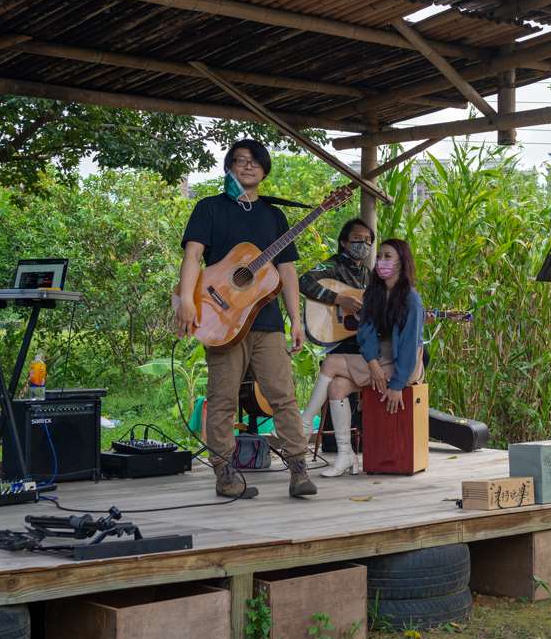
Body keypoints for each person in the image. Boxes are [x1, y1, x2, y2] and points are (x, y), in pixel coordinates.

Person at [174, 139, 316, 499]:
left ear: (264, 169)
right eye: (239, 161)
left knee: (282, 395)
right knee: (222, 398)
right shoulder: (209, 208)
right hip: (221, 319)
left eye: (254, 162)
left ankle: (298, 468)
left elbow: (287, 271)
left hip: (266, 321)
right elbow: (193, 256)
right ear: (229, 167)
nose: (247, 166)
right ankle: (224, 472)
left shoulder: (274, 216)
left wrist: (295, 320)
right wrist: (187, 301)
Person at [312, 238, 426, 477]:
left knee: (331, 363)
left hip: (403, 366)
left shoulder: (411, 299)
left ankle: (303, 423)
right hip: (381, 360)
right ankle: (346, 455)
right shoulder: (374, 292)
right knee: (337, 388)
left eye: (388, 257)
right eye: (380, 257)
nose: (381, 261)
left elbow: (408, 346)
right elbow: (366, 332)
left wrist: (396, 385)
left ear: (401, 262)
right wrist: (372, 364)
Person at [299, 218, 375, 427]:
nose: (363, 244)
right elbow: (304, 281)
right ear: (343, 242)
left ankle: (361, 428)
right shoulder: (333, 265)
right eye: (357, 239)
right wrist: (339, 299)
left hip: (356, 338)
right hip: (337, 338)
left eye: (368, 240)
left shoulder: (367, 275)